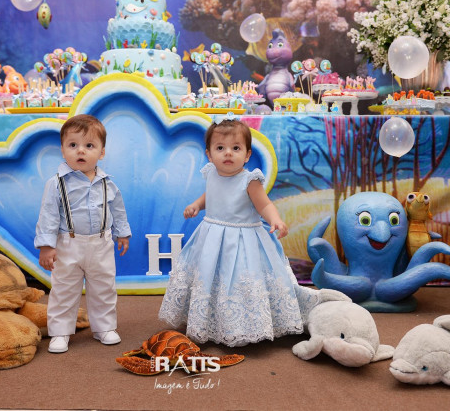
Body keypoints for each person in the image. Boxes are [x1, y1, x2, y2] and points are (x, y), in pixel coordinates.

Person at [158, 116, 346, 347]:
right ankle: (211, 319)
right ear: (209, 154)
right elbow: (212, 194)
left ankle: (243, 325)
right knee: (210, 276)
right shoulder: (212, 174)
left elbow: (264, 204)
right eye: (220, 148)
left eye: (236, 148)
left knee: (240, 280)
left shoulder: (249, 180)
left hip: (242, 239)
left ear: (247, 154)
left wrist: (275, 219)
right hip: (211, 236)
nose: (228, 153)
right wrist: (197, 205)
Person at [35, 114, 131, 353]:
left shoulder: (108, 183)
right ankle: (60, 331)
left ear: (102, 152)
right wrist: (47, 246)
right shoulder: (56, 183)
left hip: (101, 243)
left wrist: (122, 233)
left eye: (89, 146)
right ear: (62, 150)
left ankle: (104, 327)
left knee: (104, 287)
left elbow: (118, 209)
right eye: (73, 145)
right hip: (68, 244)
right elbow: (48, 215)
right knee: (64, 289)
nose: (81, 151)